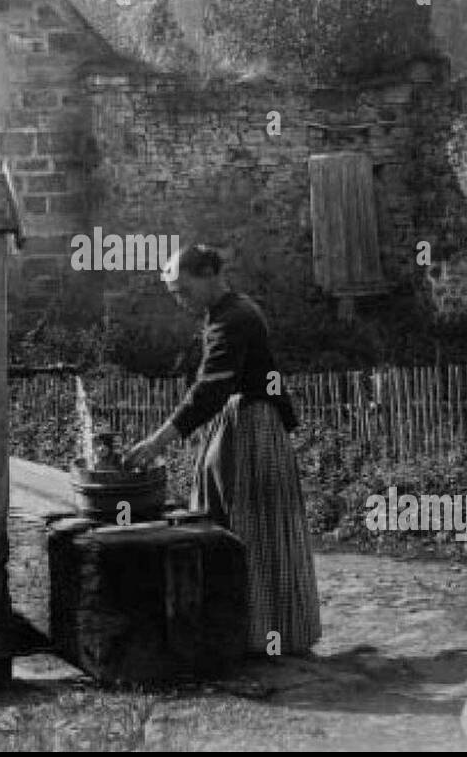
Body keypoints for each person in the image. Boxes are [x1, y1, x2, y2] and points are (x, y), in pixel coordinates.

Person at [123, 244, 322, 655]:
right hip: (244, 419)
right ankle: (263, 629)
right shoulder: (229, 311)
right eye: (175, 293)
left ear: (210, 273)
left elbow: (211, 388)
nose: (182, 300)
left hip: (252, 426)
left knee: (249, 526)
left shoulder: (235, 318)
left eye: (184, 289)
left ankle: (261, 633)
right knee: (234, 518)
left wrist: (158, 441)